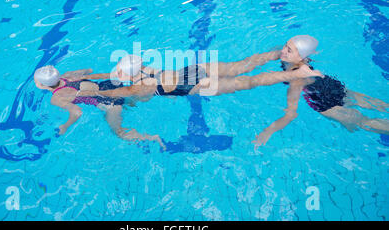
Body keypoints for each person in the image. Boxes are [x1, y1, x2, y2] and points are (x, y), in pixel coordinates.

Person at [252, 35, 389, 149]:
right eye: (285, 46)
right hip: (332, 85)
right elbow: (275, 53)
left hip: (324, 103)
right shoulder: (302, 59)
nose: (283, 51)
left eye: (289, 50)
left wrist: (267, 132)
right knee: (374, 104)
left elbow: (290, 114)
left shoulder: (297, 79)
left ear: (301, 58)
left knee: (363, 122)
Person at [78, 51, 322, 99]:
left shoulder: (140, 87)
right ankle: (278, 54)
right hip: (197, 69)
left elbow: (119, 91)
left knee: (250, 81)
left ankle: (295, 73)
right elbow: (117, 75)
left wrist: (96, 90)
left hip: (196, 85)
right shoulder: (145, 69)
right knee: (241, 65)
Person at [33, 65, 166, 150]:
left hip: (109, 103)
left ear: (43, 86)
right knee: (133, 99)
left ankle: (152, 137)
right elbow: (89, 70)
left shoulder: (56, 98)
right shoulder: (68, 75)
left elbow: (77, 112)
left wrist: (65, 126)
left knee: (120, 133)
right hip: (110, 85)